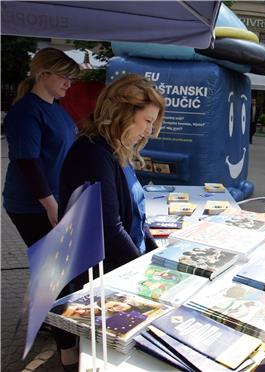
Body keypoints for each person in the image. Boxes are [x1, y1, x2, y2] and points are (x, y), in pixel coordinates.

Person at [55, 74, 164, 368]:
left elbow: (135, 218)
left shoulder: (113, 150)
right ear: (123, 114)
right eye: (146, 121)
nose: (149, 131)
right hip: (105, 276)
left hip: (119, 269)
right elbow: (110, 231)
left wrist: (155, 254)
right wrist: (145, 280)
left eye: (153, 123)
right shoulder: (93, 153)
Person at [2, 48, 80, 247]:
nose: (68, 83)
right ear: (43, 75)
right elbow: (27, 162)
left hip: (57, 199)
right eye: (64, 76)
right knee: (52, 268)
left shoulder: (57, 109)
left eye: (71, 78)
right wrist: (51, 205)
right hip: (32, 206)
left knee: (61, 267)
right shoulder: (27, 111)